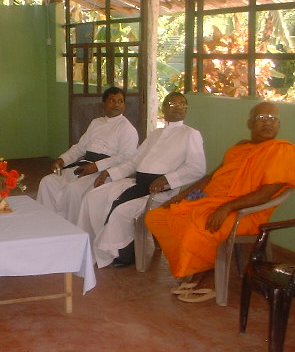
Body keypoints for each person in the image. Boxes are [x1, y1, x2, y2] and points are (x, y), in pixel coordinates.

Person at [146, 101, 295, 302]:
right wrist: (181, 195)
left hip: (246, 212)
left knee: (198, 225)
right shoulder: (239, 148)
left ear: (279, 125)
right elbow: (212, 177)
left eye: (273, 119)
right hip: (213, 203)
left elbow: (266, 194)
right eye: (261, 118)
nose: (268, 123)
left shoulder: (283, 152)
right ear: (250, 123)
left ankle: (207, 277)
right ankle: (195, 267)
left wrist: (226, 207)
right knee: (158, 216)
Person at [77, 92, 206, 268]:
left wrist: (166, 179)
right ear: (164, 108)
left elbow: (197, 168)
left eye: (182, 104)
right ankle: (93, 247)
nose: (179, 107)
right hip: (138, 183)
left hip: (160, 191)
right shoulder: (156, 134)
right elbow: (134, 162)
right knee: (93, 198)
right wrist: (109, 173)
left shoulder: (190, 134)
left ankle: (122, 255)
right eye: (173, 104)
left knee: (121, 210)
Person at [36, 87, 138, 224]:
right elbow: (80, 148)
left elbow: (126, 156)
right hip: (85, 166)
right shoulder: (96, 123)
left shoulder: (127, 128)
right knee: (48, 182)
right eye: (112, 101)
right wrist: (62, 159)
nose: (116, 104)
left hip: (104, 172)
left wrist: (97, 166)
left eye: (120, 101)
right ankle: (49, 223)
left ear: (125, 105)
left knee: (73, 190)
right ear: (103, 104)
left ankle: (72, 230)